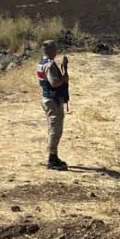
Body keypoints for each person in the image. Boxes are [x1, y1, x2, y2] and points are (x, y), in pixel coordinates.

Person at [36, 40, 70, 170]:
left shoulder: (41, 63)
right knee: (55, 130)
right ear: (50, 50)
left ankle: (53, 156)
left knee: (52, 128)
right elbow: (54, 83)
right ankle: (52, 158)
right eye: (55, 49)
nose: (56, 51)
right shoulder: (49, 65)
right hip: (52, 101)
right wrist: (64, 79)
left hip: (47, 99)